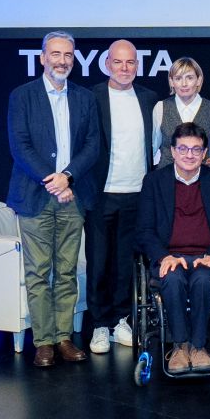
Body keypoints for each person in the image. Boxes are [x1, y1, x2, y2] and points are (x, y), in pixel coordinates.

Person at [6, 31, 101, 367]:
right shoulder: (22, 96)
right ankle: (43, 342)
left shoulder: (85, 98)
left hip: (73, 196)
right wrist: (54, 181)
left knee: (66, 271)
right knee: (38, 272)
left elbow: (93, 145)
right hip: (35, 196)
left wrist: (68, 177)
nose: (62, 61)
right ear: (43, 58)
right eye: (56, 54)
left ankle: (63, 338)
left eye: (68, 55)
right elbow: (20, 147)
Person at [135, 123, 210, 374]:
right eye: (183, 148)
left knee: (203, 280)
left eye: (196, 149)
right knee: (172, 279)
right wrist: (163, 256)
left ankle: (199, 347)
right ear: (172, 151)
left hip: (205, 256)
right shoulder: (154, 181)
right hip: (170, 256)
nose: (189, 155)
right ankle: (180, 346)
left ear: (204, 153)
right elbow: (144, 229)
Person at [88, 40, 160, 354]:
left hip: (137, 193)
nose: (125, 68)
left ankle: (120, 321)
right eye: (118, 62)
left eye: (130, 62)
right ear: (107, 64)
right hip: (101, 193)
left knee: (124, 264)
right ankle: (99, 325)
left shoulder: (148, 98)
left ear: (137, 66)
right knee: (99, 263)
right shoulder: (91, 97)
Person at [153, 57, 210, 168]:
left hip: (202, 176)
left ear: (198, 80)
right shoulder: (161, 107)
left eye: (189, 78)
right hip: (166, 174)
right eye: (178, 78)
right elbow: (152, 148)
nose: (184, 84)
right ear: (171, 82)